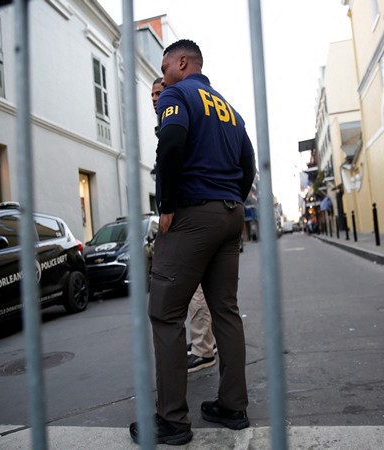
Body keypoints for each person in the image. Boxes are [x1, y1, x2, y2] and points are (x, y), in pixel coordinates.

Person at [130, 40, 256, 445]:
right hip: (229, 214)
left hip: (192, 215)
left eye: (165, 65)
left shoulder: (177, 94)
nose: (162, 73)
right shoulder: (229, 109)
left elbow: (171, 142)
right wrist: (232, 198)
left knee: (165, 314)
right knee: (226, 311)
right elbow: (248, 163)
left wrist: (167, 203)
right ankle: (233, 407)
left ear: (182, 63)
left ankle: (171, 420)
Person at [151, 77, 217, 374]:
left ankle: (203, 350)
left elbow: (173, 156)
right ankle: (204, 344)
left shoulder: (177, 110)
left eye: (159, 92)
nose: (155, 98)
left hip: (184, 216)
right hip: (196, 214)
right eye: (152, 93)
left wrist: (167, 208)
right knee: (201, 292)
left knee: (194, 292)